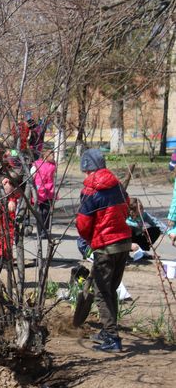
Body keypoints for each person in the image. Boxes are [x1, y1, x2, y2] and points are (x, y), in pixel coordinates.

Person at [76, 149, 131, 352]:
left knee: (100, 292)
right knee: (110, 290)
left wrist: (89, 240)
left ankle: (113, 339)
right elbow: (127, 207)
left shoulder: (90, 191)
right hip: (123, 242)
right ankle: (109, 331)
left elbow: (83, 223)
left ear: (88, 169)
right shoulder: (118, 186)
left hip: (106, 246)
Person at [0, 175, 20, 264]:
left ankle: (7, 256)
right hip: (0, 214)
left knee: (8, 234)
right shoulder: (0, 178)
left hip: (9, 215)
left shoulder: (13, 196)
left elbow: (19, 190)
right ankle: (1, 255)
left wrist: (12, 199)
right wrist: (1, 183)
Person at [32, 148, 57, 239]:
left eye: (53, 155)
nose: (53, 157)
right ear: (45, 156)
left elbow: (53, 177)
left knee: (46, 212)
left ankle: (45, 230)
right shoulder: (37, 164)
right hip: (39, 191)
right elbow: (32, 176)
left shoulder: (53, 166)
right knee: (39, 212)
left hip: (49, 191)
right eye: (51, 155)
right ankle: (40, 230)